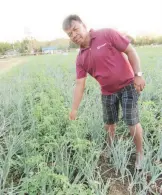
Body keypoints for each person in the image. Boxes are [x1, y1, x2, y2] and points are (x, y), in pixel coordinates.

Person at [62, 14, 146, 170]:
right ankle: (110, 147)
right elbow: (80, 84)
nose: (74, 35)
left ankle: (140, 153)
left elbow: (130, 51)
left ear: (84, 25)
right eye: (69, 34)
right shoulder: (80, 58)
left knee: (131, 121)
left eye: (75, 29)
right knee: (109, 124)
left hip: (128, 86)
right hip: (107, 92)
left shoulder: (106, 34)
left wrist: (138, 75)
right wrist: (74, 109)